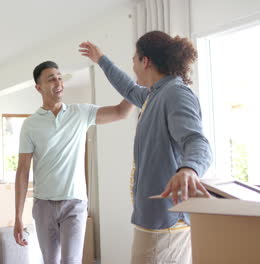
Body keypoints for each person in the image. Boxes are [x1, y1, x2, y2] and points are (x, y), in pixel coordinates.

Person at [79, 31, 212, 264]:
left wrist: (189, 169)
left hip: (167, 221)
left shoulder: (175, 93)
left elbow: (197, 141)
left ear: (145, 61)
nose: (133, 66)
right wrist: (101, 60)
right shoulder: (155, 95)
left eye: (134, 60)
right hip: (154, 220)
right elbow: (128, 89)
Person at [14, 60, 133, 264]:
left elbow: (121, 112)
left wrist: (136, 86)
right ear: (38, 87)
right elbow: (23, 171)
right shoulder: (30, 125)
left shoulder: (81, 113)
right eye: (51, 79)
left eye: (60, 78)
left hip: (75, 203)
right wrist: (17, 216)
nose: (58, 82)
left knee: (71, 261)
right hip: (44, 205)